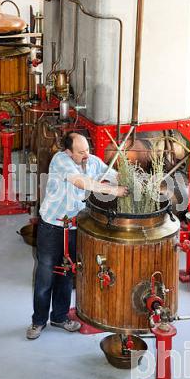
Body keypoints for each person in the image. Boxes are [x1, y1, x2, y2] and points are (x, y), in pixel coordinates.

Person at [26, 132, 129, 340]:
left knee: (67, 273)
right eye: (81, 152)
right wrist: (114, 191)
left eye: (87, 150)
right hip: (52, 226)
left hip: (74, 227)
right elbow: (81, 182)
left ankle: (60, 317)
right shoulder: (60, 161)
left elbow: (112, 174)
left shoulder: (91, 161)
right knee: (45, 275)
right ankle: (38, 321)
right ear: (68, 151)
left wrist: (130, 179)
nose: (86, 155)